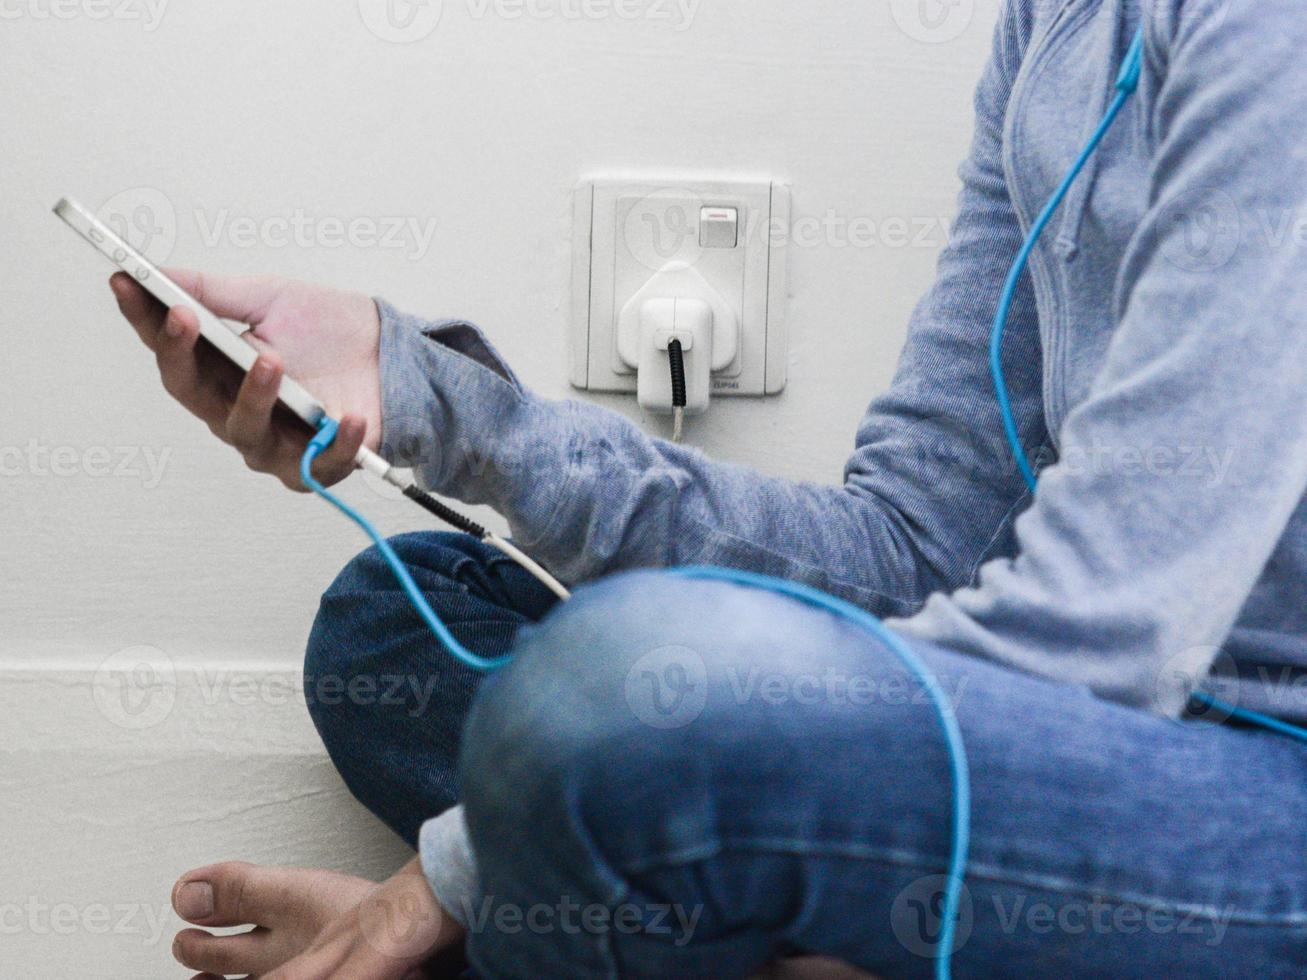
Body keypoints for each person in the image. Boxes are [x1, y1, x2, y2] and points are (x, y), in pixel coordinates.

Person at [112, 1, 1307, 976]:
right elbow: (907, 552)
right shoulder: (1047, 28)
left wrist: (457, 872)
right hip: (1045, 754)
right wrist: (435, 399)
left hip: (1252, 790)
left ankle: (501, 945)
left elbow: (1099, 636)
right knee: (406, 617)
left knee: (619, 697)